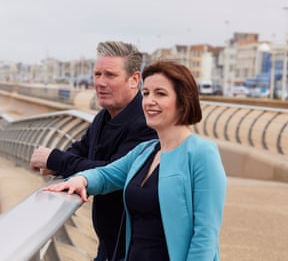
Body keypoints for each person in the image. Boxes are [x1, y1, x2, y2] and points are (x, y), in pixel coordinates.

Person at [44, 60, 227, 261]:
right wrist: (81, 180)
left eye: (160, 93)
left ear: (183, 101)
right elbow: (106, 175)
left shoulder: (202, 154)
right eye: (146, 93)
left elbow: (205, 235)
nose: (149, 101)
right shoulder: (146, 151)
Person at [30, 41, 157, 261]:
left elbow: (115, 171)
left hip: (133, 249)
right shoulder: (103, 117)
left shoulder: (145, 123)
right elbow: (79, 152)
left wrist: (56, 159)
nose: (100, 82)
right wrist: (59, 162)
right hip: (108, 246)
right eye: (97, 74)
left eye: (110, 75)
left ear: (134, 79)